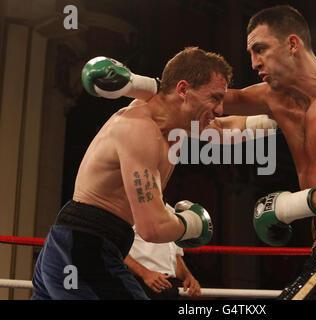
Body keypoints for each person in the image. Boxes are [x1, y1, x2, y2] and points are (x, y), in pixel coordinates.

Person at [106, 5, 316, 300]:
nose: (253, 63)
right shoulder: (273, 98)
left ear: (293, 44)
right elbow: (202, 102)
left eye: (260, 49)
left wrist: (284, 208)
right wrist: (132, 83)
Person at [31, 47, 232, 300]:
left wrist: (274, 121)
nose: (220, 109)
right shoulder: (140, 129)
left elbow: (227, 128)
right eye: (214, 98)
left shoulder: (176, 126)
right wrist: (192, 225)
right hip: (84, 248)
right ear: (183, 90)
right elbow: (152, 228)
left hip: (81, 246)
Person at [125, 213, 201, 300]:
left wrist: (187, 276)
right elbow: (117, 250)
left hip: (168, 286)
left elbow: (175, 256)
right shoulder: (131, 209)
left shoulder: (173, 213)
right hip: (138, 284)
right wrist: (145, 273)